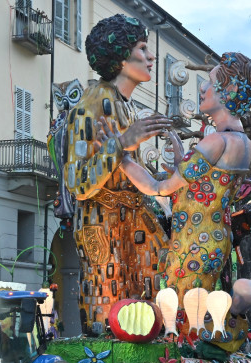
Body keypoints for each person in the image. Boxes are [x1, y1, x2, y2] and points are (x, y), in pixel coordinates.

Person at [109, 51, 251, 307]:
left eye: (211, 82)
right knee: (196, 309)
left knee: (178, 310)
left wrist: (120, 155)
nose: (202, 87)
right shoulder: (243, 142)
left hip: (194, 241)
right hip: (214, 236)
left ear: (230, 90)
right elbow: (209, 182)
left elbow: (158, 188)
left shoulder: (217, 141)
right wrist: (181, 155)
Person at [65, 14, 173, 331]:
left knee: (160, 282)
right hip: (101, 220)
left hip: (130, 217)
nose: (151, 57)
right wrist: (124, 142)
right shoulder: (91, 104)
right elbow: (79, 183)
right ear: (122, 59)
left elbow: (131, 168)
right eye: (143, 48)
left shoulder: (126, 106)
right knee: (108, 310)